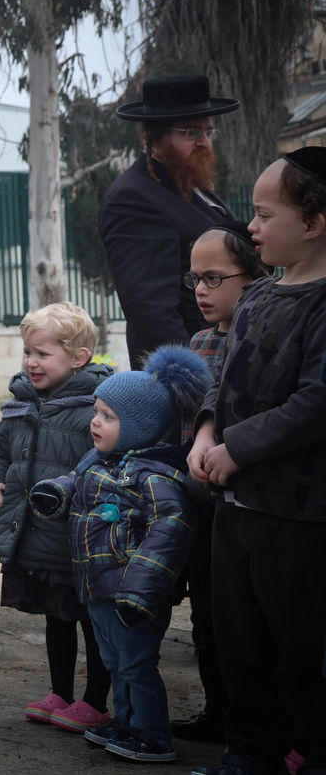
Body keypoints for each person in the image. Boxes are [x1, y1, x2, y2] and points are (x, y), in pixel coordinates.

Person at [186, 147, 326, 775]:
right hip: (234, 505)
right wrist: (207, 430)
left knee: (297, 647)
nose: (252, 228)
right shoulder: (262, 297)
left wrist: (236, 448)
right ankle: (249, 752)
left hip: (297, 513)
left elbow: (317, 402)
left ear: (315, 221)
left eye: (266, 215)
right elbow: (225, 379)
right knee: (238, 638)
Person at [31, 345, 210, 764]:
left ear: (140, 426)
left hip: (132, 594)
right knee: (114, 660)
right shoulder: (101, 463)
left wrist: (141, 591)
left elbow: (170, 534)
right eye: (97, 411)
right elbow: (76, 483)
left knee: (136, 663)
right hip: (98, 584)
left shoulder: (156, 479)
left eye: (108, 417)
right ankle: (126, 723)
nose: (96, 422)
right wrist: (56, 492)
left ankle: (151, 734)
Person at [0, 302, 114, 733]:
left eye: (43, 354)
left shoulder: (97, 407)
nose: (31, 363)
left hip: (80, 540)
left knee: (92, 622)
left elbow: (107, 462)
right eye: (27, 353)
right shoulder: (21, 404)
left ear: (78, 357)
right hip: (38, 537)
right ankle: (60, 693)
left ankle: (95, 701)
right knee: (58, 617)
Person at [173, 226, 270, 744]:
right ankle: (218, 712)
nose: (201, 290)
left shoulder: (264, 337)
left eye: (214, 278)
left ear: (254, 278)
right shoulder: (199, 342)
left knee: (251, 619)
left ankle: (261, 728)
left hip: (249, 499)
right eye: (195, 278)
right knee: (207, 612)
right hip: (199, 500)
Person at [100, 74, 241, 369]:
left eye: (207, 132)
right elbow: (152, 312)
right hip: (190, 369)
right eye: (191, 132)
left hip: (227, 353)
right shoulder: (132, 198)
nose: (204, 142)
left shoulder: (190, 185)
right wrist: (194, 377)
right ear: (155, 138)